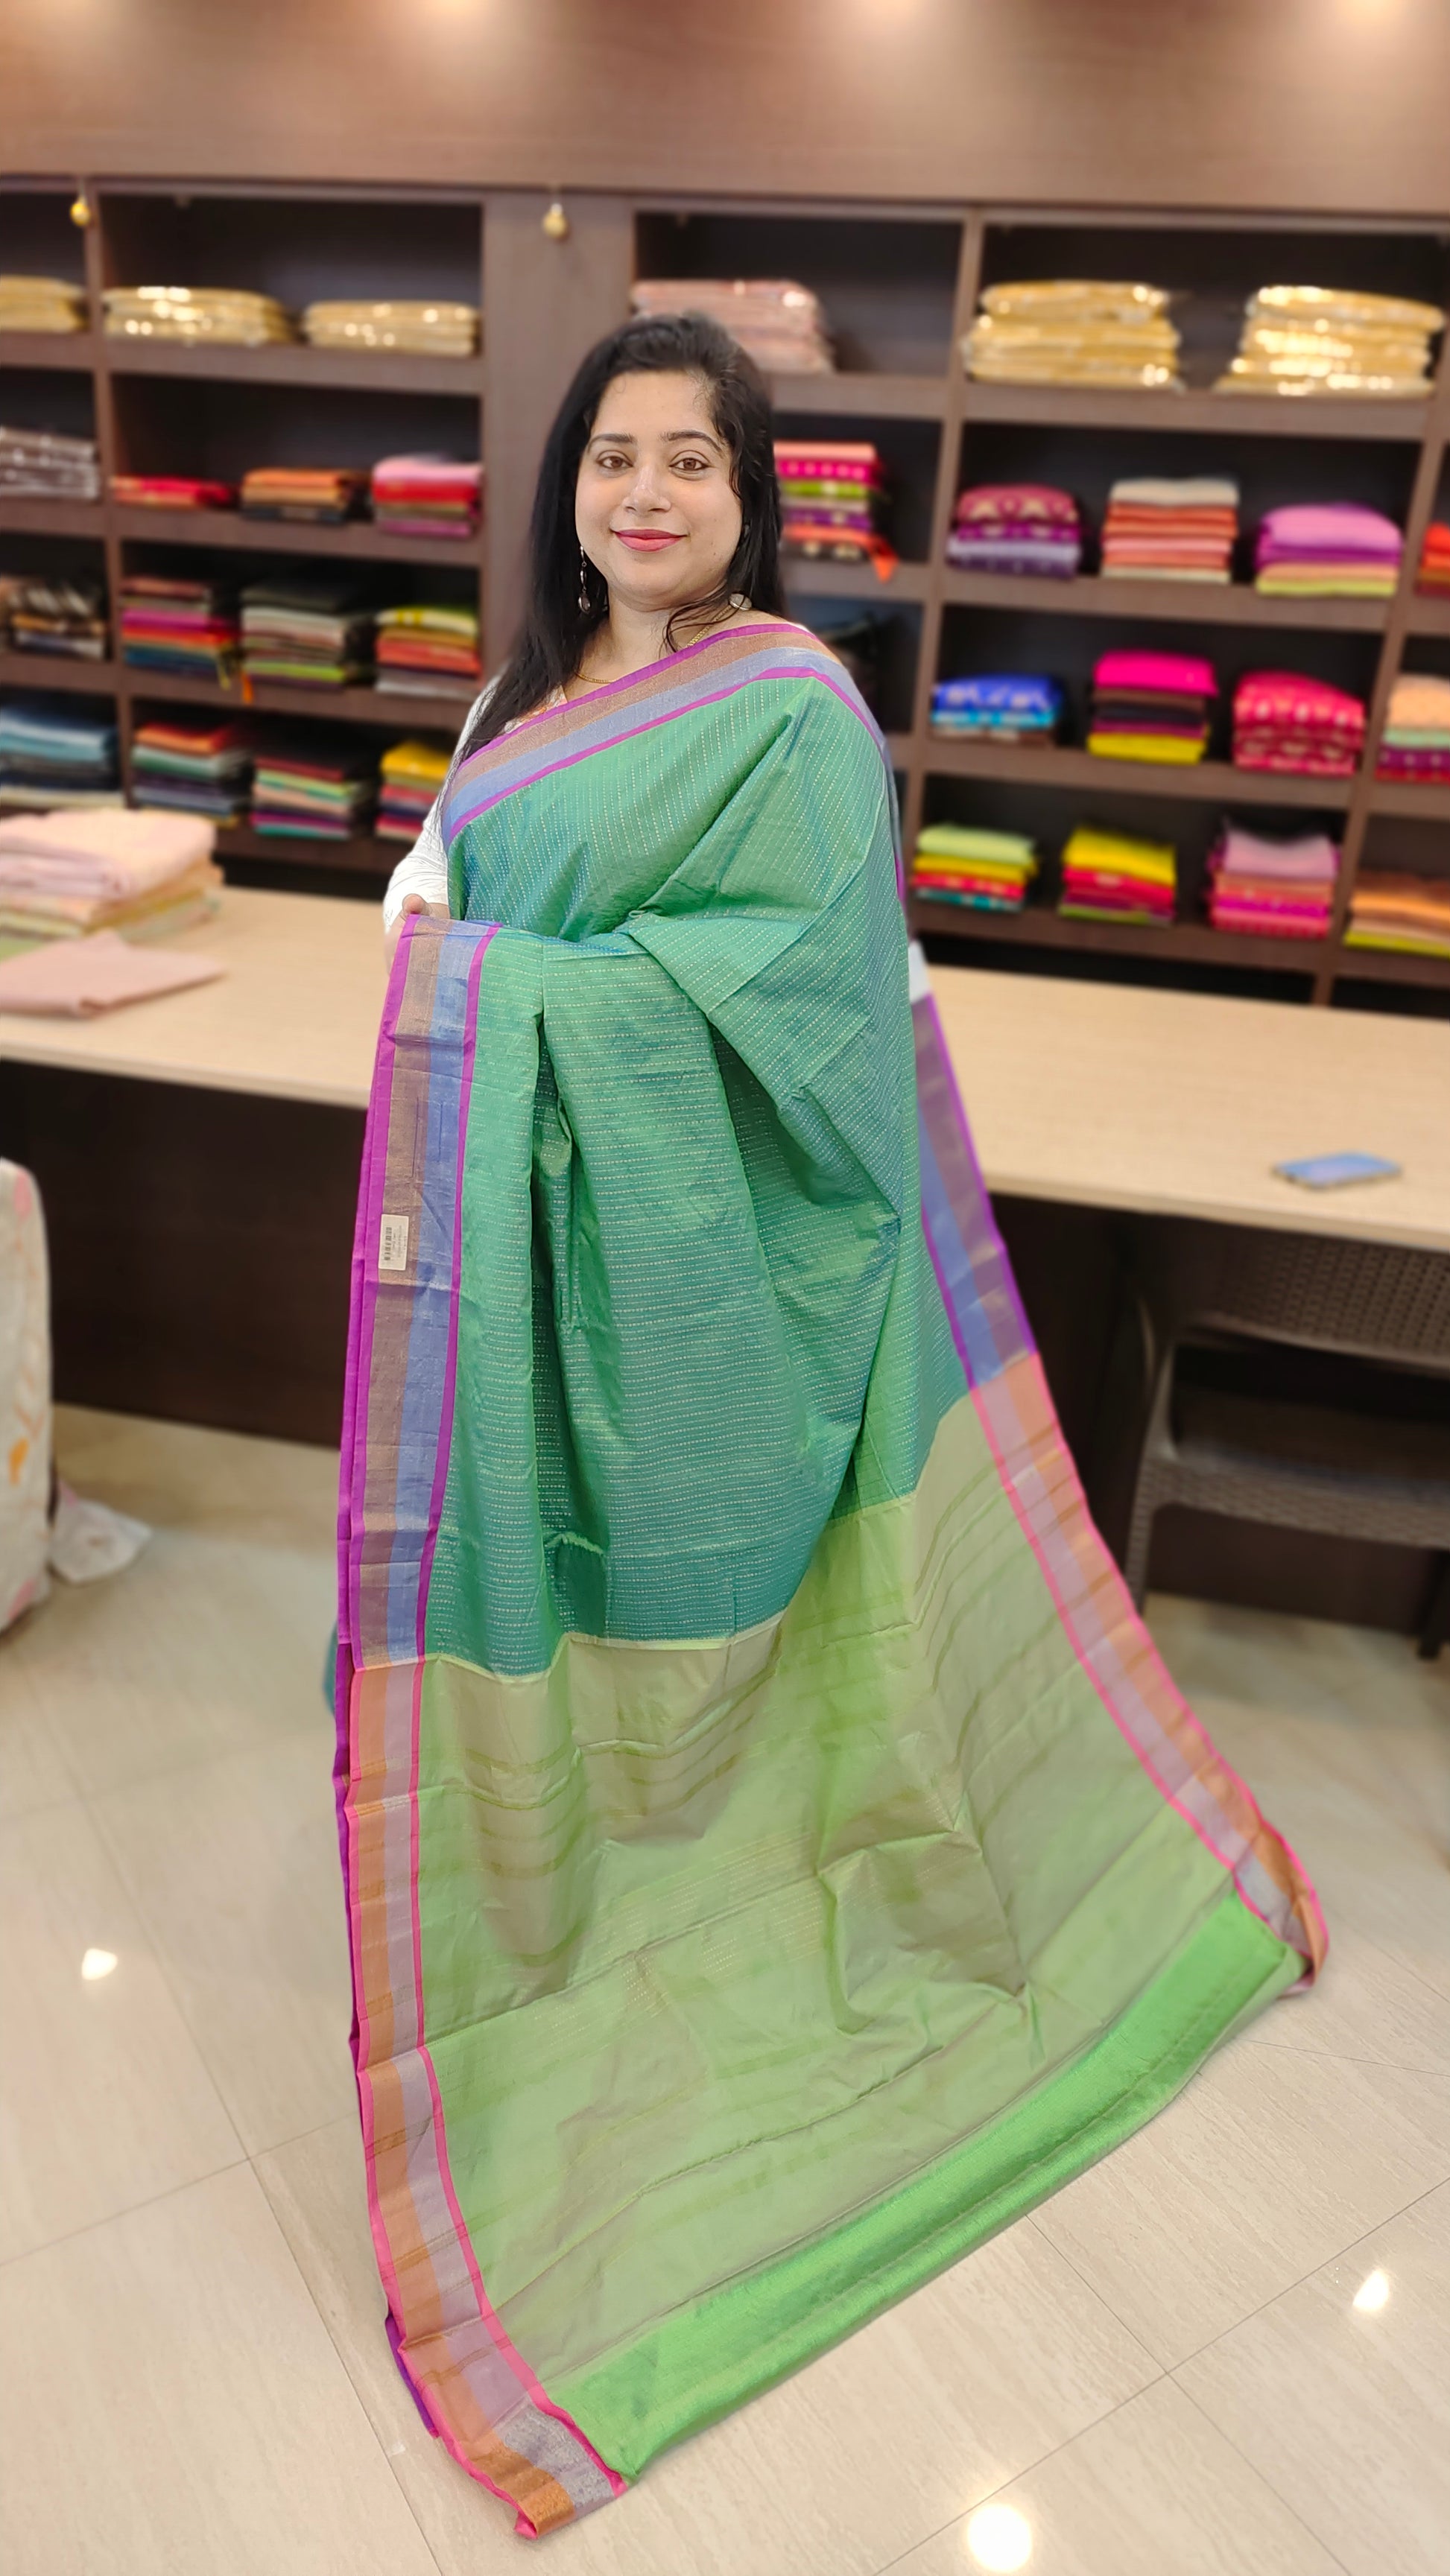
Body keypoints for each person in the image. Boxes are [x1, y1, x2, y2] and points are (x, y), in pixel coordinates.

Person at [338, 313, 1324, 2538]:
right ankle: (545, 1899)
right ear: (567, 486)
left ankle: (726, 1889)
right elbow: (451, 902)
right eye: (613, 455)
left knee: (722, 1602)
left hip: (690, 1239)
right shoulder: (512, 702)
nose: (646, 494)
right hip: (508, 1235)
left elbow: (796, 989)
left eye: (691, 459)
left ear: (747, 496)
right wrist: (457, 983)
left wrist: (488, 994)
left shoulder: (787, 707)